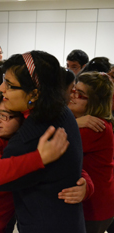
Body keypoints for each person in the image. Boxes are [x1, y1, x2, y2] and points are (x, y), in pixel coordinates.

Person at [0, 51, 86, 232]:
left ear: (34, 92)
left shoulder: (32, 137)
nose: (1, 88)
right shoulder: (59, 111)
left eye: (9, 85)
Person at [68, 72, 114, 233]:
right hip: (97, 202)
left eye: (79, 94)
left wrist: (73, 124)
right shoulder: (84, 121)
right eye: (73, 89)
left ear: (94, 102)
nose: (72, 95)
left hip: (94, 207)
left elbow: (56, 145)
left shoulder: (94, 127)